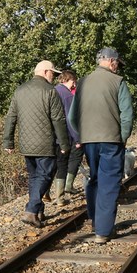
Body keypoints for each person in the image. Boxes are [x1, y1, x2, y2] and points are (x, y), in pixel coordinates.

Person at [68, 47, 134, 244]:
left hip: (89, 140)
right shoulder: (118, 82)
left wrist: (81, 135)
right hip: (111, 140)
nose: (117, 68)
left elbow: (72, 117)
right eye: (117, 64)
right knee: (109, 182)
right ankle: (103, 231)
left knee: (94, 179)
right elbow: (127, 114)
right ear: (112, 61)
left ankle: (97, 222)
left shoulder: (82, 82)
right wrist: (123, 137)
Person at [3, 60, 69, 228]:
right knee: (46, 175)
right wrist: (64, 143)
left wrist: (8, 141)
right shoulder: (50, 91)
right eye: (52, 73)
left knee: (34, 177)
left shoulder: (20, 90)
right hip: (45, 143)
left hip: (26, 144)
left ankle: (38, 212)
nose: (53, 76)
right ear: (45, 72)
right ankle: (31, 210)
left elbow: (11, 117)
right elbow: (58, 119)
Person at [51, 69, 84, 199]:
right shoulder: (67, 95)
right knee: (63, 164)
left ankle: (48, 193)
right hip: (65, 136)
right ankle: (60, 196)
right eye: (73, 81)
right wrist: (78, 138)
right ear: (68, 80)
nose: (74, 85)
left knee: (52, 164)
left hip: (51, 135)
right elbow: (71, 119)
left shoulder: (52, 91)